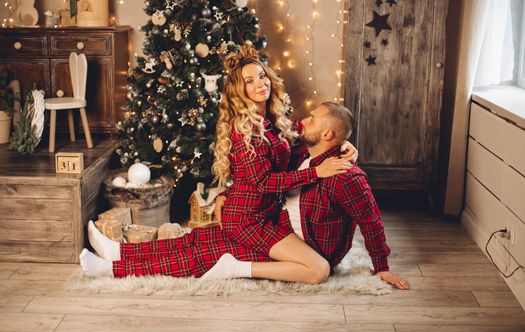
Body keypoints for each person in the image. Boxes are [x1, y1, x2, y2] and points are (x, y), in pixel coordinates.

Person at [80, 45, 357, 284]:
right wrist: (315, 173)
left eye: (261, 76)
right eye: (249, 81)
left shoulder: (273, 119)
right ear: (240, 90)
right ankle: (113, 269)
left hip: (258, 213)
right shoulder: (246, 128)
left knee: (197, 244)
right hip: (249, 219)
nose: (260, 83)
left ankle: (119, 254)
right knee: (202, 258)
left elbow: (303, 134)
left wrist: (343, 143)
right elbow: (264, 182)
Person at [216, 102, 410, 289]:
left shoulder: (346, 177)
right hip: (274, 228)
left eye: (312, 119)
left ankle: (236, 268)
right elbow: (259, 175)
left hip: (307, 251)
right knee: (206, 246)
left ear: (326, 133)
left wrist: (382, 267)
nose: (303, 121)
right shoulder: (301, 155)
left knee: (213, 256)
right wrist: (227, 194)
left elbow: (371, 221)